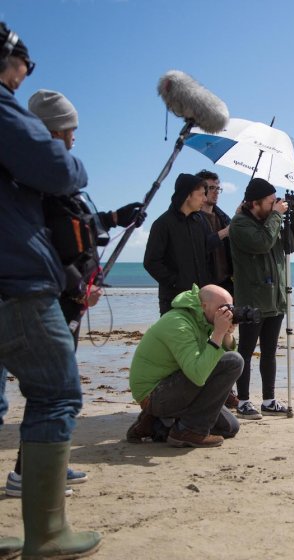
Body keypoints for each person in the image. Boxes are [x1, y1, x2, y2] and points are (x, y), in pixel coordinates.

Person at [3, 89, 145, 500]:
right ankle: (25, 474)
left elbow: (73, 227)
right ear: (50, 129)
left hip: (65, 292)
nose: (74, 137)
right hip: (53, 294)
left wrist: (114, 219)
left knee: (50, 389)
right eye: (69, 129)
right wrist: (76, 286)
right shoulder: (34, 176)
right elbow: (41, 239)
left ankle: (44, 466)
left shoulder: (43, 177)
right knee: (51, 389)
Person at [0, 21, 101, 558]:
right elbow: (60, 173)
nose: (20, 78)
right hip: (14, 282)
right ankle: (47, 533)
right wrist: (70, 162)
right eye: (24, 63)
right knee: (57, 393)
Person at [126, 284, 242, 448]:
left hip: (175, 386)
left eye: (230, 308)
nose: (227, 313)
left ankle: (154, 423)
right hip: (154, 394)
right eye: (222, 308)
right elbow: (198, 374)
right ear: (204, 306)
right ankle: (188, 431)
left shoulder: (203, 320)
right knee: (234, 361)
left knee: (229, 427)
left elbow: (212, 363)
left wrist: (226, 334)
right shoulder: (178, 323)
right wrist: (217, 333)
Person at [228, 178, 294, 419]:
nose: (275, 206)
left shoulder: (271, 222)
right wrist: (277, 216)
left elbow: (290, 246)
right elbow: (261, 243)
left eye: (275, 202)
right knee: (246, 352)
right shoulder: (239, 225)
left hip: (274, 298)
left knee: (270, 352)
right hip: (252, 300)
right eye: (270, 202)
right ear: (255, 203)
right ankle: (243, 402)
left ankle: (269, 400)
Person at [144, 173, 212, 315]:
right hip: (174, 300)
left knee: (201, 338)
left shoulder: (201, 221)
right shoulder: (162, 224)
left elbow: (207, 252)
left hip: (200, 299)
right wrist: (176, 282)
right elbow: (151, 262)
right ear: (188, 195)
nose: (205, 199)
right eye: (201, 195)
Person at [197, 169, 234, 294]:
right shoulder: (192, 218)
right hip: (203, 286)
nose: (216, 192)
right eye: (211, 188)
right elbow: (198, 247)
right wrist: (224, 233)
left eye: (218, 189)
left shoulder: (224, 218)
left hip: (226, 284)